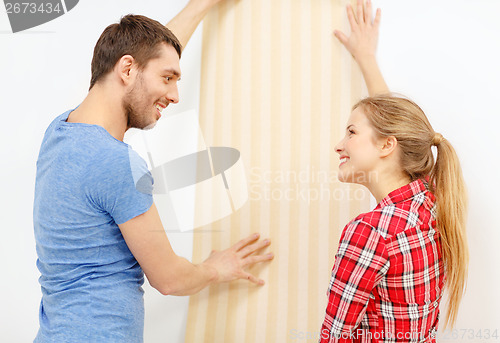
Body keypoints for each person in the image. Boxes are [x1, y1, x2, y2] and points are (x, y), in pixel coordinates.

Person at [33, 0, 273, 341]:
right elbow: (170, 279)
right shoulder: (115, 163)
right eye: (168, 79)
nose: (175, 95)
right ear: (127, 69)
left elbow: (149, 56)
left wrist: (202, 5)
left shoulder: (59, 132)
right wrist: (214, 268)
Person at [319, 1, 468, 342]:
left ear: (387, 145)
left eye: (351, 132)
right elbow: (396, 129)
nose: (339, 145)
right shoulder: (430, 200)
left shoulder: (370, 232)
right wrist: (366, 58)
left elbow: (334, 336)